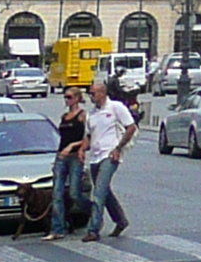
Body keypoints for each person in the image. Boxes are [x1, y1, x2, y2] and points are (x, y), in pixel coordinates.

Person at [79, 78, 136, 241]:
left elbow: (130, 127)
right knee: (105, 191)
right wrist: (82, 149)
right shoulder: (92, 114)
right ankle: (121, 220)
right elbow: (89, 136)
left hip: (110, 155)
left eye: (93, 93)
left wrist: (118, 148)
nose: (91, 96)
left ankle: (93, 229)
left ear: (103, 93)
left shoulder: (116, 107)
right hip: (95, 157)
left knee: (98, 193)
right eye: (90, 93)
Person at [50, 87, 93, 238]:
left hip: (75, 157)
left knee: (75, 193)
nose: (66, 100)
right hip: (61, 157)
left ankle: (93, 211)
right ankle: (57, 229)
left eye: (69, 97)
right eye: (65, 97)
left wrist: (73, 146)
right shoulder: (64, 117)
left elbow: (89, 137)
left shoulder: (83, 116)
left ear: (76, 98)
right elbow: (62, 137)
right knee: (57, 194)